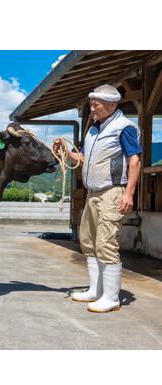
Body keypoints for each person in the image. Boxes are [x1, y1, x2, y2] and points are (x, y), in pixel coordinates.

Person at [53, 84, 142, 313]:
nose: (92, 108)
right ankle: (95, 290)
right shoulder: (93, 129)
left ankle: (111, 298)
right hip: (92, 193)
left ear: (112, 105)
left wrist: (129, 193)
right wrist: (65, 150)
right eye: (91, 104)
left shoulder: (124, 128)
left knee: (106, 243)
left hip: (112, 192)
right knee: (89, 242)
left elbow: (134, 160)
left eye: (96, 104)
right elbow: (82, 158)